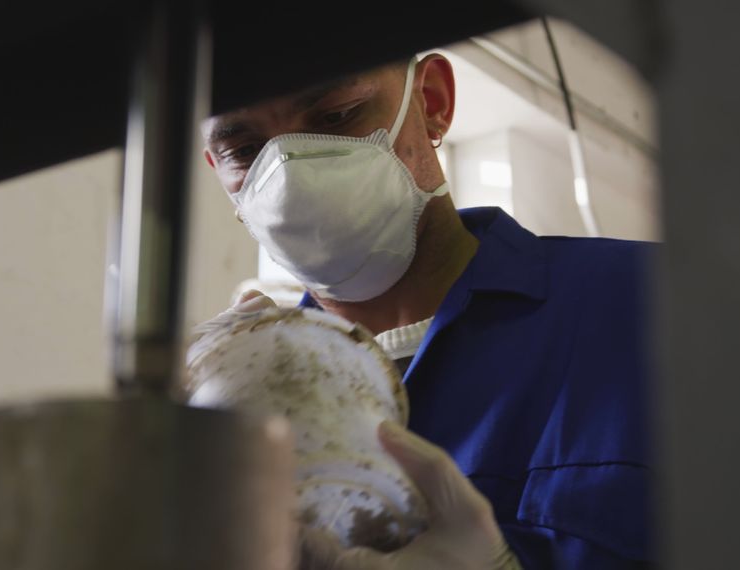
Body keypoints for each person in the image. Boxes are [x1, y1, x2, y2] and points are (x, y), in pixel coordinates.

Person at [201, 53, 652, 569]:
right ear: (218, 168)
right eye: (244, 149)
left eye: (336, 116)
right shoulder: (251, 419)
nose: (289, 175)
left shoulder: (650, 304)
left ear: (431, 100)